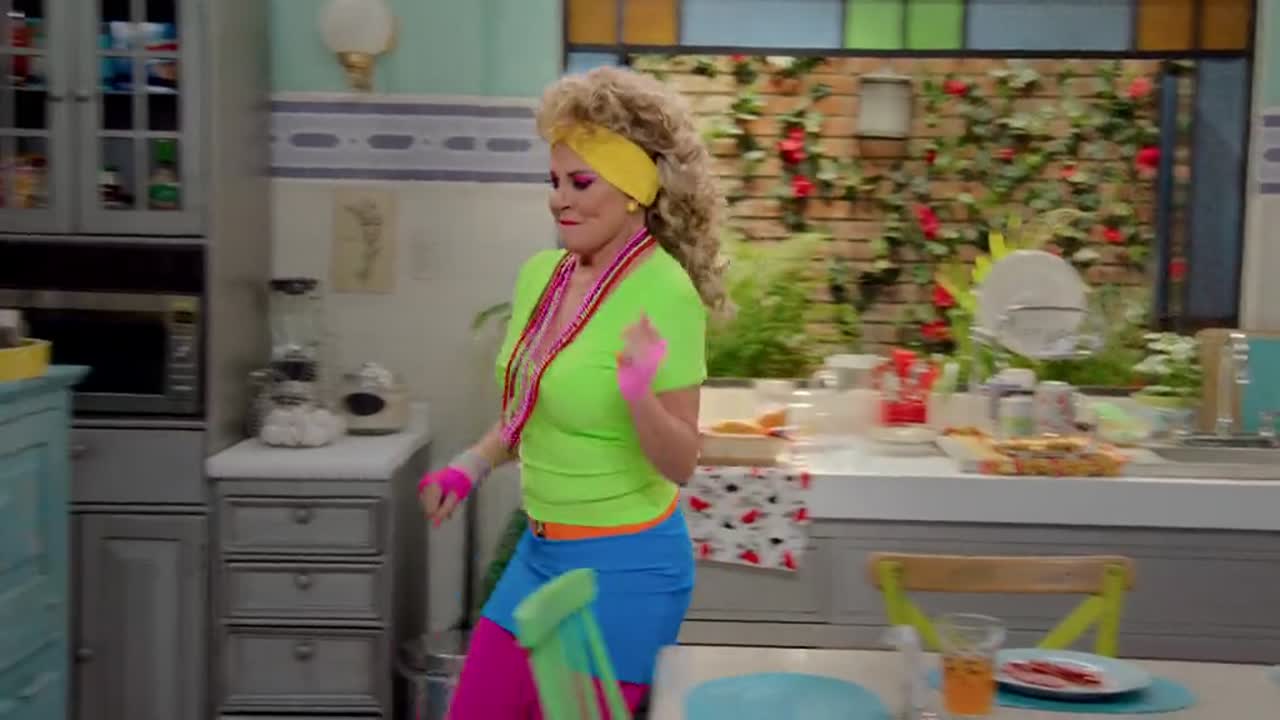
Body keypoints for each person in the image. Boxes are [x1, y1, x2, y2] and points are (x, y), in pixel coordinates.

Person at [418, 65, 726, 718]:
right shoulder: (542, 276)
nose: (561, 199)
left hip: (627, 570)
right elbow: (529, 409)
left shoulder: (665, 291)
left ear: (634, 190)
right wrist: (471, 465)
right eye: (553, 181)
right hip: (540, 552)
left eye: (581, 182)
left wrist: (639, 396)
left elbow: (681, 462)